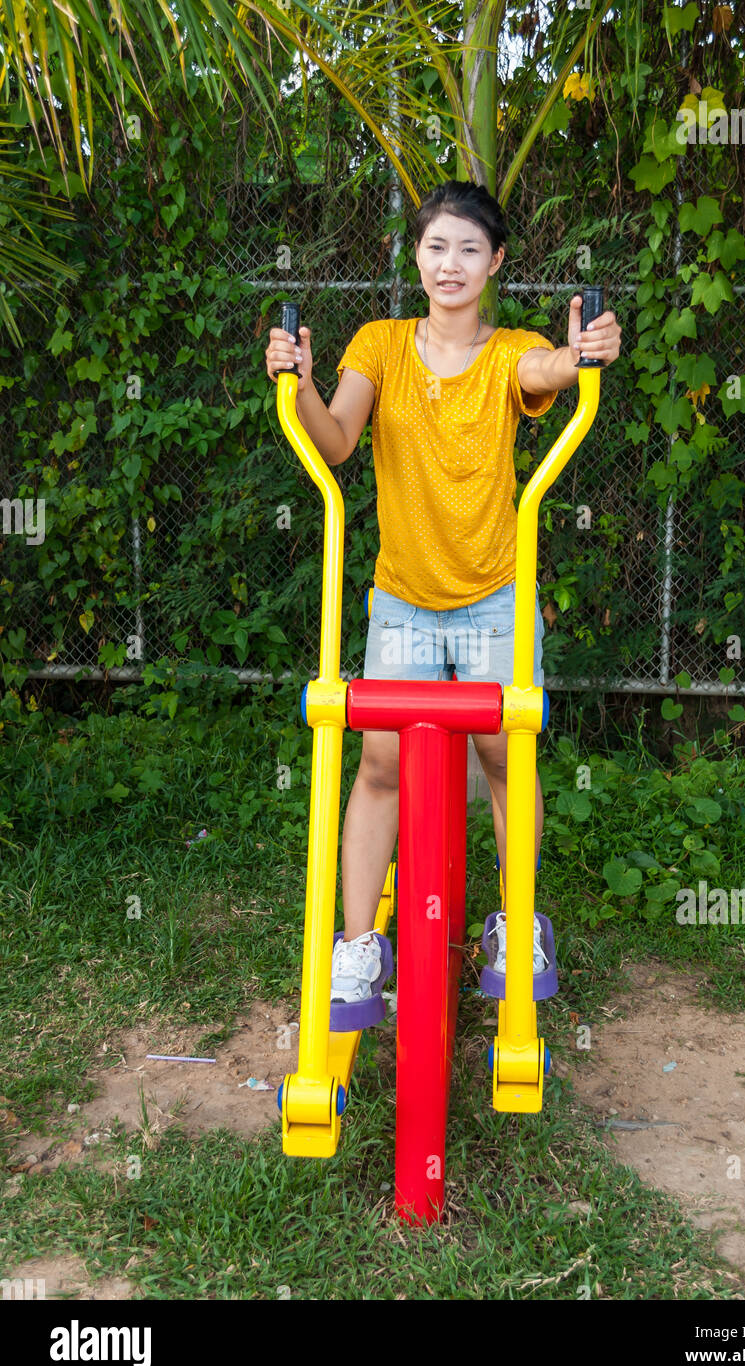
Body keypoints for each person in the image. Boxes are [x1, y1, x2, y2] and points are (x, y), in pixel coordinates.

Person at [265, 180, 622, 1008]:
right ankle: (359, 945)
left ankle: (518, 921)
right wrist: (303, 384)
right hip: (405, 599)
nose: (450, 264)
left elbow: (546, 368)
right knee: (382, 762)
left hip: (495, 594)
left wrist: (579, 355)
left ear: (495, 262)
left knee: (505, 755)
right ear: (416, 257)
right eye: (436, 247)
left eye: (469, 249)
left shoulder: (508, 352)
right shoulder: (381, 344)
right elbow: (338, 439)